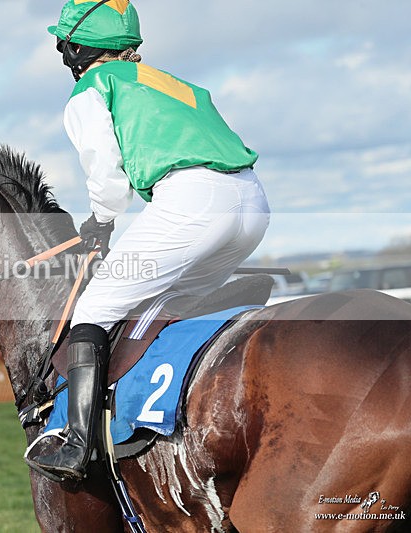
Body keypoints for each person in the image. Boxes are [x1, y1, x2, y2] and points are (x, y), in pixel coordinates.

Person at [27, 0, 270, 481]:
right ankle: (162, 416)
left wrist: (100, 220)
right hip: (252, 203)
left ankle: (78, 446)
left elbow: (107, 174)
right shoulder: (176, 83)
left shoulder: (90, 88)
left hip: (192, 203)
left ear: (75, 46)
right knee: (162, 307)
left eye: (63, 43)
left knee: (94, 309)